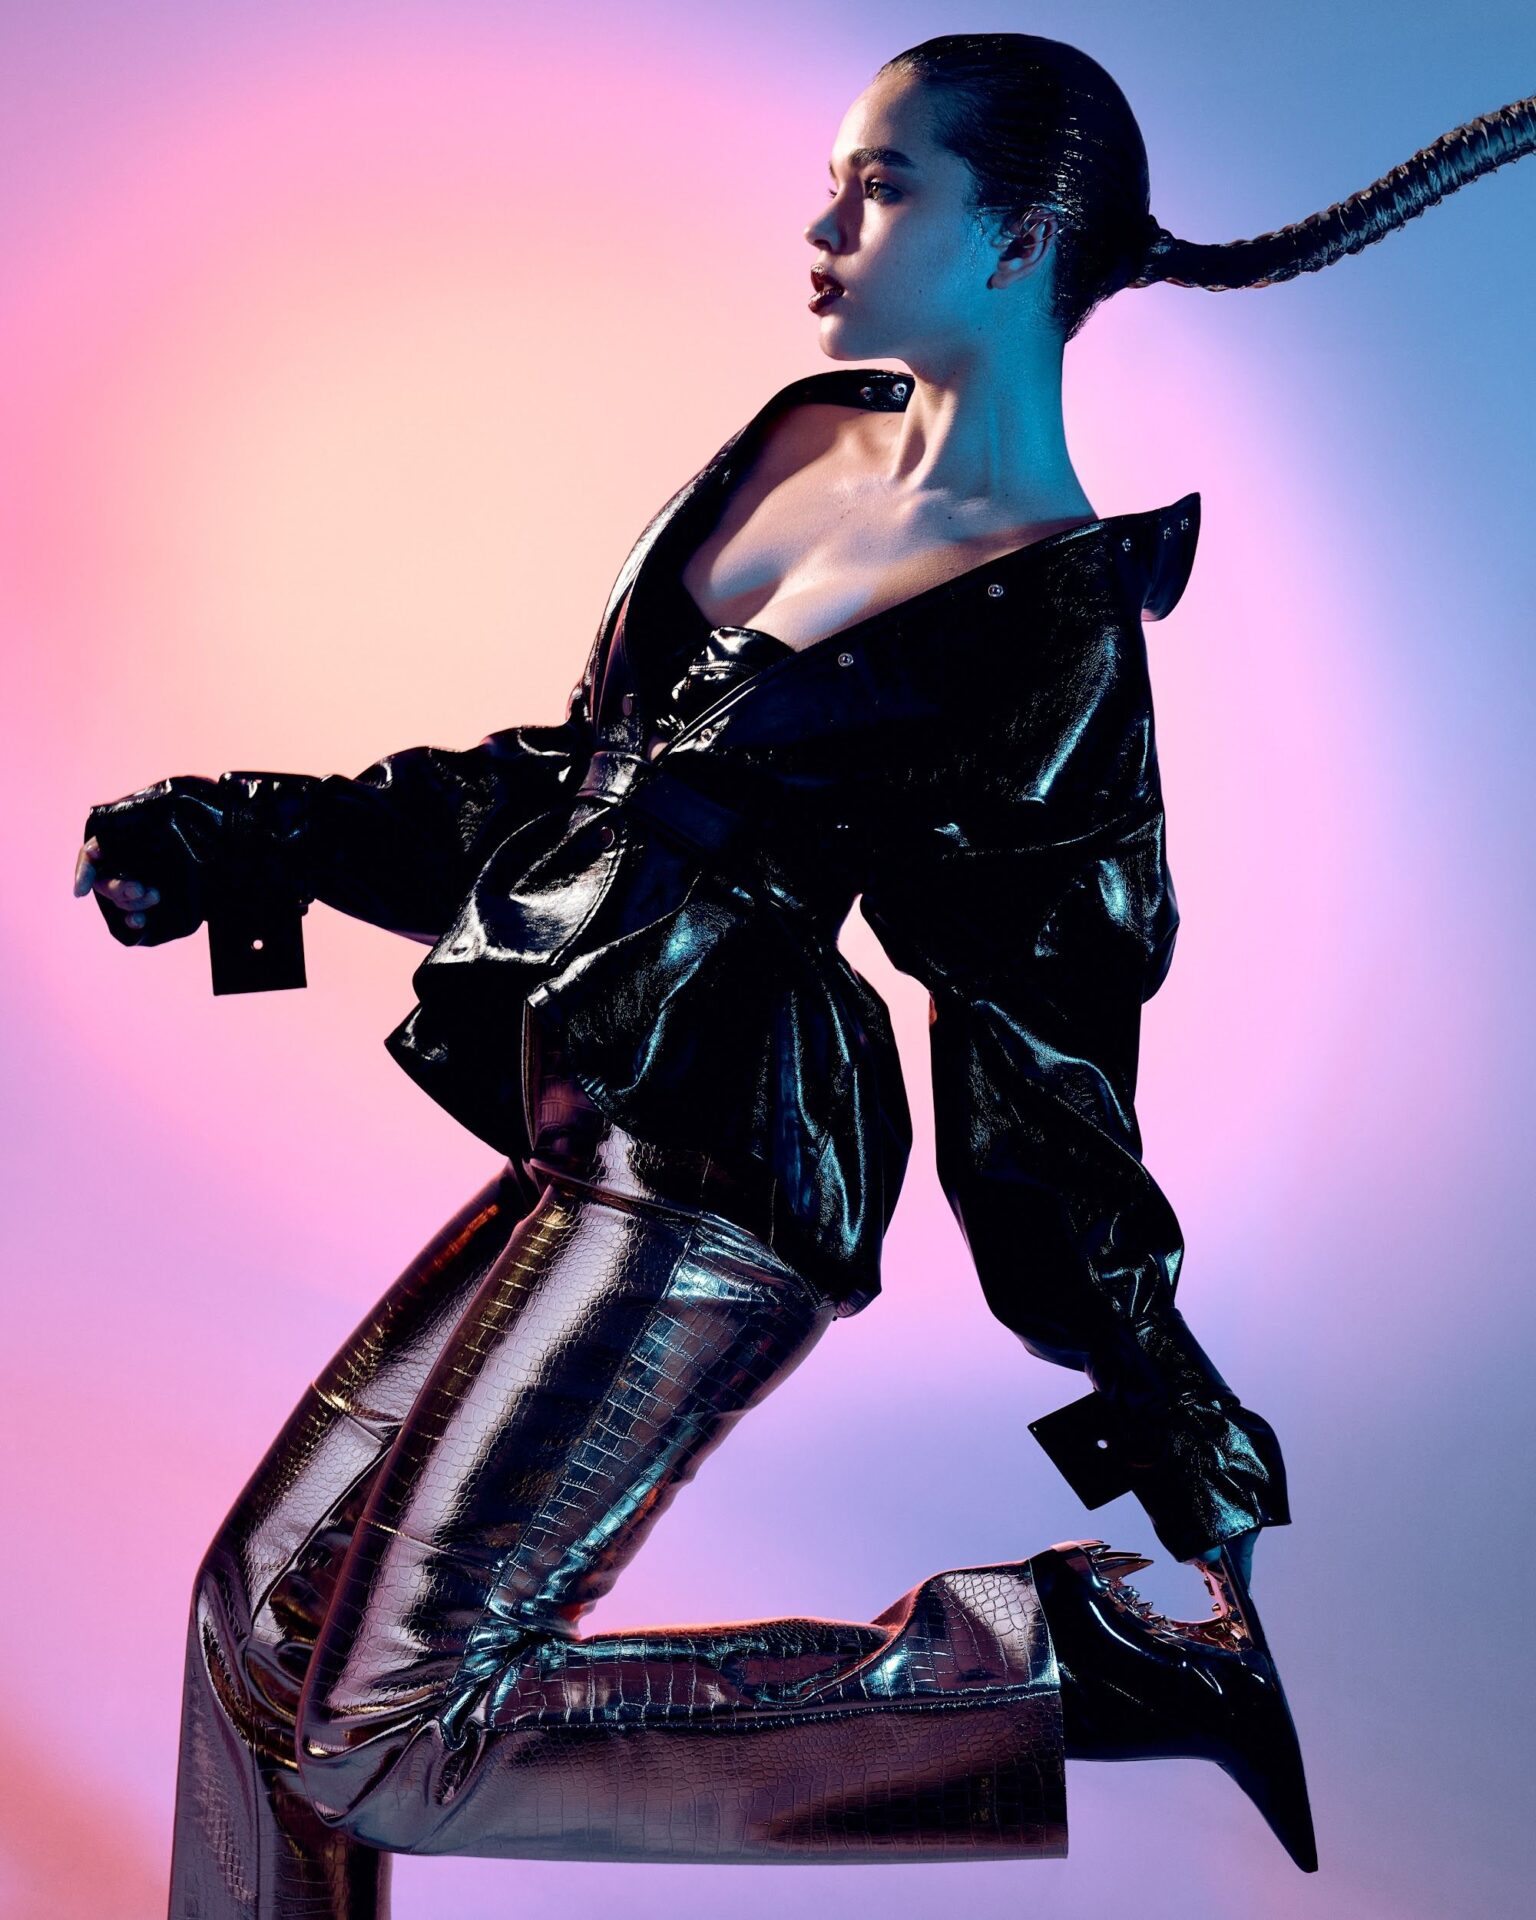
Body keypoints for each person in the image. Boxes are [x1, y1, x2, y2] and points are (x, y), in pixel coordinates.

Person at [74, 32, 1534, 1919]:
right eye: (837, 181)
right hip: (593, 1106)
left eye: (884, 186)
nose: (827, 226)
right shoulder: (807, 435)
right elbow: (586, 790)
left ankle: (1064, 1673)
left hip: (729, 1180)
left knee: (385, 1732)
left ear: (1019, 239)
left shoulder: (1050, 619)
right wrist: (254, 838)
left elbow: (1035, 1044)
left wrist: (1157, 1391)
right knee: (252, 1621)